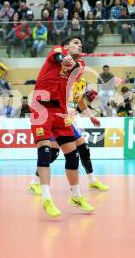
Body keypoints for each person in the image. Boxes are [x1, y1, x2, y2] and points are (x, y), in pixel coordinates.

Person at [30, 36, 93, 218]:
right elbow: (60, 59)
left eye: (81, 43)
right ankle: (46, 198)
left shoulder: (78, 65)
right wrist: (64, 59)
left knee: (72, 155)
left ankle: (76, 196)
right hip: (41, 106)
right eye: (75, 42)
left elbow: (72, 82)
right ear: (66, 46)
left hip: (60, 109)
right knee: (45, 150)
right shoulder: (57, 51)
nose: (79, 44)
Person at [28, 76, 109, 195]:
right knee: (53, 153)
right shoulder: (64, 81)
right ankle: (34, 182)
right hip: (55, 119)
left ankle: (92, 180)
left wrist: (91, 116)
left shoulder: (82, 83)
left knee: (84, 149)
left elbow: (79, 101)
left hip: (68, 121)